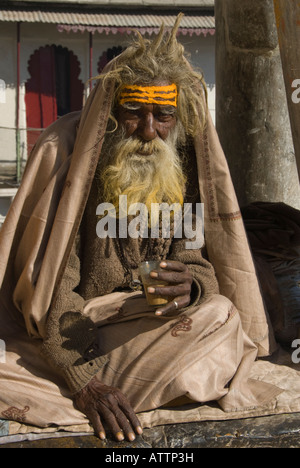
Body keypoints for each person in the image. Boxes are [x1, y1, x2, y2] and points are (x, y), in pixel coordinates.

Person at [0, 16, 281, 442]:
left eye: (163, 116)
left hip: (151, 323)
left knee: (220, 314)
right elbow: (55, 288)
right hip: (82, 325)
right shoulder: (76, 157)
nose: (149, 132)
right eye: (134, 112)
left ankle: (125, 383)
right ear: (112, 113)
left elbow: (195, 259)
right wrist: (86, 383)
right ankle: (114, 383)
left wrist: (192, 286)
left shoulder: (182, 160)